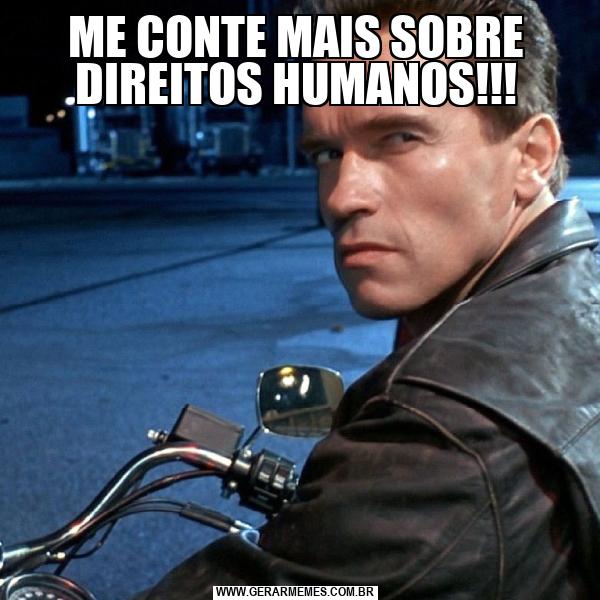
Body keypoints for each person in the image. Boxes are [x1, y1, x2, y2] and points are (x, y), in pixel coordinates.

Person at [132, 1, 600, 598]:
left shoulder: (445, 439)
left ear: (530, 157)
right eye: (326, 154)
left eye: (399, 137)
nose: (340, 197)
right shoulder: (577, 295)